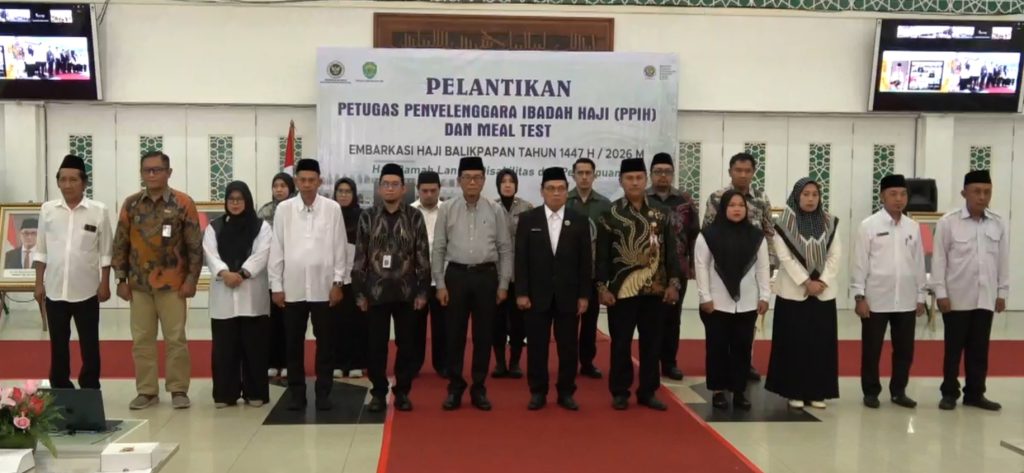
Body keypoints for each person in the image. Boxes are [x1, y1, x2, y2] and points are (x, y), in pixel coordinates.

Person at [113, 151, 203, 410]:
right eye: (147, 170)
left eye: (157, 170)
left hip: (173, 285)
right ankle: (147, 391)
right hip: (139, 286)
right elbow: (120, 243)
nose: (151, 175)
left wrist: (192, 280)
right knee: (142, 340)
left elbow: (194, 245)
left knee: (175, 339)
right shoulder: (131, 204)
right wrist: (120, 279)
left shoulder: (183, 203)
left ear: (168, 173)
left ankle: (178, 389)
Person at [596, 158, 681, 411]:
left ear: (646, 180)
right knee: (621, 343)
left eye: (639, 178)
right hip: (620, 291)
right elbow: (601, 256)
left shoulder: (662, 213)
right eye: (629, 178)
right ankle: (620, 391)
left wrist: (673, 283)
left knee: (652, 343)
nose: (634, 182)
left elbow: (672, 252)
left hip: (655, 290)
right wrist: (602, 287)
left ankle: (648, 391)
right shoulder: (609, 214)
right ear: (621, 181)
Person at [433, 156, 512, 411]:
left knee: (483, 335)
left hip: (486, 277)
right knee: (454, 335)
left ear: (484, 180)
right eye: (467, 177)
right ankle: (455, 387)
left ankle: (479, 387)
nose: (472, 182)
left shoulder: (495, 209)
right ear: (459, 180)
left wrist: (503, 284)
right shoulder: (447, 208)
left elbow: (505, 249)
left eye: (477, 177)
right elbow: (439, 248)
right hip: (455, 276)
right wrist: (440, 283)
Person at [269, 158, 347, 412]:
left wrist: (338, 282)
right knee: (293, 345)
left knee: (326, 345)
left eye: (311, 180)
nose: (307, 184)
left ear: (320, 181)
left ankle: (323, 393)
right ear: (296, 181)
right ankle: (296, 394)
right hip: (292, 288)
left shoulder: (332, 208)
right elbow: (277, 248)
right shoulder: (284, 210)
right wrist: (276, 285)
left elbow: (340, 248)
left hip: (324, 288)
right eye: (302, 180)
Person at [353, 164, 431, 413]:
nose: (390, 188)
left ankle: (403, 392)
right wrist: (359, 293)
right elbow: (360, 257)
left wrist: (423, 291)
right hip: (375, 293)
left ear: (403, 188)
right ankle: (378, 392)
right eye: (385, 184)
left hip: (407, 293)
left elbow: (422, 255)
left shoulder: (414, 217)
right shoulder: (367, 217)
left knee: (407, 345)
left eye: (395, 184)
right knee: (376, 346)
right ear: (379, 188)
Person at [33, 155, 112, 390]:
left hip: (87, 290)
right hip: (55, 290)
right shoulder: (48, 210)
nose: (67, 185)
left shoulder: (98, 211)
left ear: (84, 183)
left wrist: (105, 283)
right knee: (58, 343)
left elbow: (106, 252)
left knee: (89, 343)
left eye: (73, 180)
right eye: (63, 180)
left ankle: (90, 386)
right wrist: (38, 283)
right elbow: (41, 250)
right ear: (58, 182)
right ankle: (60, 386)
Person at [515, 167, 591, 411]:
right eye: (551, 188)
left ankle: (566, 392)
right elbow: (521, 259)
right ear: (542, 191)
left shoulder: (579, 220)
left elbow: (585, 262)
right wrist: (521, 292)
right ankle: (538, 392)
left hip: (569, 296)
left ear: (567, 192)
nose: (556, 193)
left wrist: (584, 295)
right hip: (536, 297)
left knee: (568, 348)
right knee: (537, 347)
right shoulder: (529, 219)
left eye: (560, 189)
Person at [934, 169, 1008, 412]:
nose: (982, 196)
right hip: (957, 297)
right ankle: (949, 393)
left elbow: (1002, 260)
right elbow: (939, 261)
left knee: (979, 350)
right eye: (977, 191)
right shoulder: (948, 222)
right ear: (964, 193)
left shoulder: (997, 222)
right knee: (953, 350)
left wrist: (1002, 292)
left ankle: (975, 393)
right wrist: (941, 293)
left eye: (987, 192)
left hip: (985, 296)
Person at [850, 174, 926, 409]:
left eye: (903, 194)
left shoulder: (913, 226)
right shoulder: (868, 225)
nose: (898, 199)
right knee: (872, 349)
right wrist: (859, 296)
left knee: (905, 350)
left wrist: (921, 296)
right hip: (876, 298)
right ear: (882, 196)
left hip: (906, 299)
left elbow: (919, 263)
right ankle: (871, 391)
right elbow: (859, 263)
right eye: (893, 194)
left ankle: (899, 391)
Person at [765, 178, 841, 410]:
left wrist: (822, 281)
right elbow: (785, 258)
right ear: (796, 197)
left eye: (814, 194)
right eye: (805, 194)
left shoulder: (830, 223)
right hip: (793, 292)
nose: (810, 199)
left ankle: (817, 392)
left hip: (823, 294)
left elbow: (835, 256)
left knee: (820, 344)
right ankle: (794, 391)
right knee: (794, 344)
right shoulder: (783, 225)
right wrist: (806, 281)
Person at [694, 191, 770, 410]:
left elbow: (763, 267)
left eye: (741, 205)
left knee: (742, 348)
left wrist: (765, 296)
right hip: (716, 303)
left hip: (747, 302)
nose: (737, 209)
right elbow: (701, 266)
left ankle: (739, 391)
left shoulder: (756, 236)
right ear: (723, 208)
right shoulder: (708, 235)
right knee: (717, 347)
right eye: (732, 205)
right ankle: (718, 390)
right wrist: (704, 297)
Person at [704, 152, 775, 382]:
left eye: (747, 171)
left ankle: (745, 364)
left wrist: (769, 265)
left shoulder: (761, 198)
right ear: (730, 172)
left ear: (753, 173)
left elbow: (768, 231)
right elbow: (708, 231)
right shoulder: (717, 198)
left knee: (746, 322)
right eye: (738, 170)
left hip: (752, 268)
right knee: (721, 325)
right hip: (722, 269)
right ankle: (722, 369)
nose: (743, 175)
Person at [203, 181, 272, 408]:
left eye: (239, 199)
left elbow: (262, 254)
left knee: (254, 347)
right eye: (231, 200)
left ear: (247, 201)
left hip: (252, 295)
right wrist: (225, 273)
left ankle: (255, 392)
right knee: (225, 349)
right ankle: (225, 394)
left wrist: (242, 273)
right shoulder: (214, 227)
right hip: (224, 294)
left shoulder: (261, 227)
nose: (235, 204)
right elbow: (210, 254)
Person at [647, 152, 699, 381]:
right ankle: (650, 363)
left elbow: (694, 234)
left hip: (677, 267)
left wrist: (694, 265)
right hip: (648, 268)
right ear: (651, 174)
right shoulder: (643, 199)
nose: (663, 176)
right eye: (658, 171)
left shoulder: (684, 201)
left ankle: (669, 363)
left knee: (672, 317)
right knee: (651, 318)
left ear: (673, 174)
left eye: (667, 172)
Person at [566, 157, 612, 379]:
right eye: (580, 173)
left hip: (593, 274)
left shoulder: (604, 205)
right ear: (573, 175)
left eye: (588, 173)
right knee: (568, 321)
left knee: (590, 322)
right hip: (568, 274)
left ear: (595, 175)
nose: (584, 177)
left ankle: (587, 362)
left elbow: (608, 241)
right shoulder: (564, 201)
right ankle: (567, 362)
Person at [492, 168, 533, 379]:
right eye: (503, 181)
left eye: (511, 181)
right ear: (498, 185)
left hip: (519, 274)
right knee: (496, 322)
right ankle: (500, 363)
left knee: (519, 323)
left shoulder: (527, 208)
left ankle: (515, 362)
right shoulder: (490, 207)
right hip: (496, 274)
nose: (507, 185)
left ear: (516, 185)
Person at [257, 172, 295, 379]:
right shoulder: (265, 211)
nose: (279, 189)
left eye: (283, 185)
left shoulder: (297, 209)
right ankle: (273, 361)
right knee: (271, 322)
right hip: (269, 274)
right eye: (275, 186)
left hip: (293, 273)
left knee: (290, 322)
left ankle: (289, 362)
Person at [410, 171, 448, 378]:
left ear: (439, 189)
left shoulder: (448, 211)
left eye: (433, 190)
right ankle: (413, 365)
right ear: (418, 190)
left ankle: (442, 365)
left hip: (442, 280)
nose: (429, 195)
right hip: (416, 280)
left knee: (443, 326)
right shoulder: (409, 212)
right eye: (425, 191)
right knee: (414, 327)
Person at [333, 177, 367, 379]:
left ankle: (357, 362)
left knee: (357, 321)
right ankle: (338, 362)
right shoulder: (329, 215)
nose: (344, 195)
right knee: (336, 322)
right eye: (340, 191)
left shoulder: (363, 216)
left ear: (354, 194)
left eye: (348, 191)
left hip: (357, 276)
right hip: (335, 277)